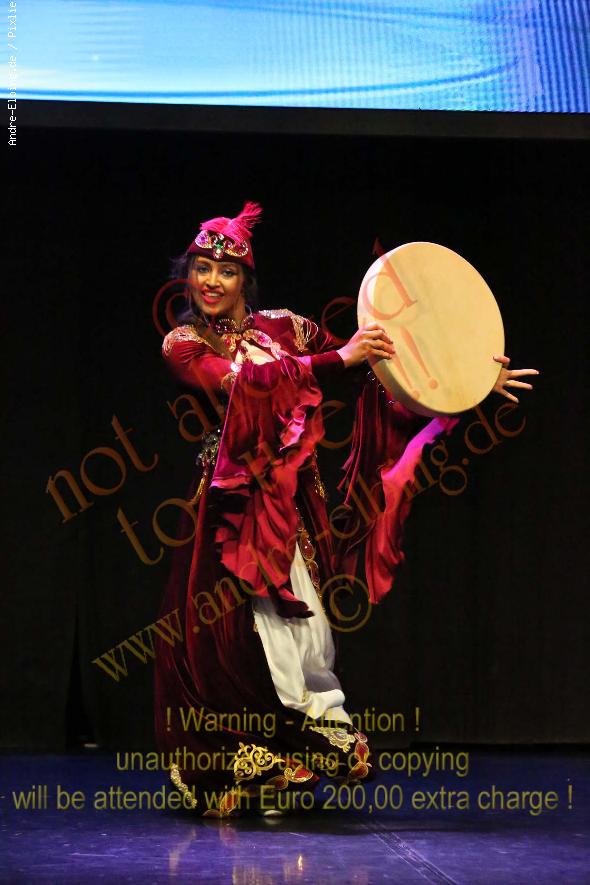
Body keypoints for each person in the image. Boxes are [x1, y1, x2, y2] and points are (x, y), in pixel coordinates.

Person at [154, 202, 538, 817]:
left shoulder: (288, 328)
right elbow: (247, 386)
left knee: (301, 633)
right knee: (228, 639)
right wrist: (339, 360)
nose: (211, 282)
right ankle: (245, 763)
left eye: (226, 271)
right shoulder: (184, 343)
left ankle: (292, 756)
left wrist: (464, 380)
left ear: (246, 280)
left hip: (292, 508)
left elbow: (376, 367)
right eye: (202, 268)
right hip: (228, 511)